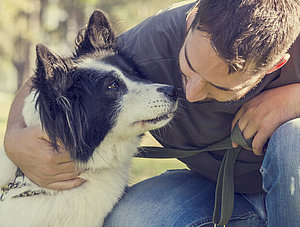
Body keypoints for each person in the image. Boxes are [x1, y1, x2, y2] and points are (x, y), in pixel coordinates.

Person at [3, 0, 300, 226]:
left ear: (275, 64)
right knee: (130, 219)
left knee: (294, 137)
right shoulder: (152, 41)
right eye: (189, 69)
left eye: (217, 87)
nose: (191, 94)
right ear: (192, 18)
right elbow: (62, 74)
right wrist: (14, 138)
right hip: (217, 191)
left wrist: (292, 99)